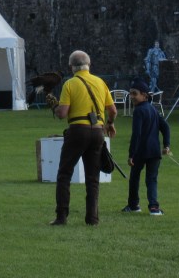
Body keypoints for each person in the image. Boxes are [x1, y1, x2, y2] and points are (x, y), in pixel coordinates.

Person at [50, 50, 117, 226]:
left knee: (64, 174)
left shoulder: (70, 84)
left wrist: (55, 107)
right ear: (89, 64)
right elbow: (113, 110)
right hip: (98, 132)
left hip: (77, 130)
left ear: (71, 66)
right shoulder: (100, 82)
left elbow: (62, 114)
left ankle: (61, 216)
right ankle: (92, 218)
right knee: (93, 177)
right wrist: (109, 123)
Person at [122, 79, 171, 216]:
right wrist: (166, 145)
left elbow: (136, 134)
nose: (131, 97)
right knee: (151, 179)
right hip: (154, 151)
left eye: (134, 94)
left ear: (144, 95)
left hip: (141, 151)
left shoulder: (139, 111)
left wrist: (131, 154)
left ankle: (133, 205)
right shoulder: (153, 109)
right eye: (130, 93)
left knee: (134, 178)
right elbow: (165, 127)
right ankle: (154, 207)